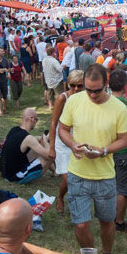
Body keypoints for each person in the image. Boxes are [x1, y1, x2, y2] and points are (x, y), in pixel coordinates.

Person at [58, 64, 127, 254]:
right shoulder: (74, 100)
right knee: (81, 225)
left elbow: (126, 139)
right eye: (87, 89)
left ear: (106, 84)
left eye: (96, 90)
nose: (91, 94)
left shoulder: (118, 107)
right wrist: (72, 145)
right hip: (77, 174)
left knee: (107, 221)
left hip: (104, 176)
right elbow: (63, 128)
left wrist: (104, 150)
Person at [48, 70, 84, 214]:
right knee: (69, 177)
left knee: (78, 177)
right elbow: (53, 123)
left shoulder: (86, 98)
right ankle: (60, 197)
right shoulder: (62, 99)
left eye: (79, 86)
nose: (76, 89)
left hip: (78, 140)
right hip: (62, 142)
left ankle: (74, 202)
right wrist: (51, 147)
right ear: (68, 84)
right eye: (73, 85)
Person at [108, 69, 127, 232]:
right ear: (125, 86)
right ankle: (118, 221)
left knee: (110, 186)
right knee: (123, 189)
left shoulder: (105, 102)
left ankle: (108, 216)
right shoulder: (124, 107)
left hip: (109, 150)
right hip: (123, 151)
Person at [0, 108, 53, 184]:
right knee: (51, 156)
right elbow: (49, 155)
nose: (36, 122)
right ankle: (55, 171)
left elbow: (34, 139)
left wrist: (44, 138)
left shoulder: (14, 130)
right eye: (36, 120)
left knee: (38, 148)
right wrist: (45, 140)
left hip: (5, 172)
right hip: (15, 177)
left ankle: (55, 172)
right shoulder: (28, 138)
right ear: (31, 119)